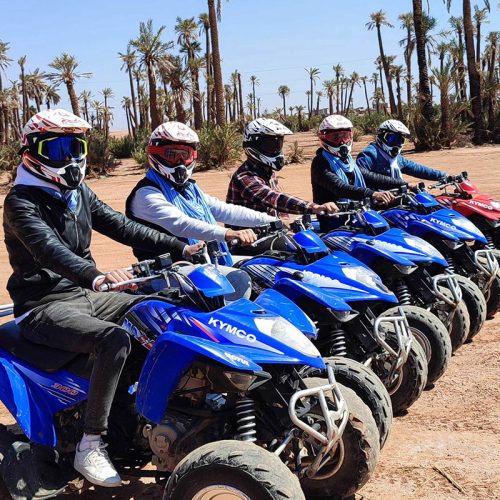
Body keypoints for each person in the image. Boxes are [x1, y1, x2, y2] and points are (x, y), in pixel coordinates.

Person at [3, 109, 201, 488]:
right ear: (32, 151)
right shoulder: (20, 201)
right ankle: (90, 442)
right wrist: (97, 276)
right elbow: (48, 250)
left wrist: (181, 247)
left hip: (85, 295)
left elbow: (122, 226)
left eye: (75, 146)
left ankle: (154, 413)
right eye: (57, 147)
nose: (70, 157)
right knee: (114, 339)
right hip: (45, 306)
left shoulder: (76, 193)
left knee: (158, 311)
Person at [126, 121, 276, 296]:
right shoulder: (146, 194)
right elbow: (181, 224)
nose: (180, 162)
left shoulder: (189, 190)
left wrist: (270, 220)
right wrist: (227, 233)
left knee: (267, 269)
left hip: (202, 265)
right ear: (156, 154)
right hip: (167, 275)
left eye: (185, 155)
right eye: (172, 154)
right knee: (240, 280)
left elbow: (225, 210)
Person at [226, 118, 338, 251]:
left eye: (278, 144)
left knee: (322, 240)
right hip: (247, 241)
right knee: (302, 249)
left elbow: (277, 206)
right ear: (254, 145)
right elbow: (273, 198)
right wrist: (313, 207)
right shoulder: (245, 177)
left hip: (270, 234)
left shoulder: (266, 171)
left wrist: (285, 220)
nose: (275, 149)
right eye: (270, 145)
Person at [310, 115, 407, 232]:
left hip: (358, 214)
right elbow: (340, 188)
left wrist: (403, 184)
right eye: (335, 138)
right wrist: (372, 194)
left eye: (345, 137)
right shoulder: (320, 163)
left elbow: (371, 177)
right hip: (334, 220)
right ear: (324, 138)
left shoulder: (348, 161)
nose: (342, 142)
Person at [356, 119, 448, 181]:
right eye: (392, 139)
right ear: (381, 136)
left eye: (400, 140)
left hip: (397, 199)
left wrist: (443, 176)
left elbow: (417, 169)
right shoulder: (369, 156)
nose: (396, 143)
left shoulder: (397, 159)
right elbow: (362, 179)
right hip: (379, 205)